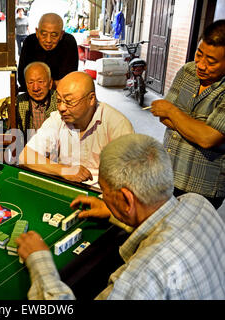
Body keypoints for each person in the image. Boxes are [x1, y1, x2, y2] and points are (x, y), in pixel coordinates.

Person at [17, 134, 225, 300]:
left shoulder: (141, 278)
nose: (103, 197)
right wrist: (114, 212)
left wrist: (40, 261)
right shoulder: (197, 202)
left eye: (104, 191)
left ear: (127, 200)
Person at [150, 20, 225, 209]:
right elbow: (163, 117)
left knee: (189, 236)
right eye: (199, 54)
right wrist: (197, 127)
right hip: (167, 174)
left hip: (202, 186)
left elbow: (208, 138)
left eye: (211, 61)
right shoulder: (187, 71)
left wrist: (173, 111)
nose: (201, 64)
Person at [19, 71, 134, 183]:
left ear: (91, 99)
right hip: (67, 184)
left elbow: (130, 176)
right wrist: (64, 170)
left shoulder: (117, 124)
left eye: (69, 101)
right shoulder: (58, 119)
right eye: (59, 100)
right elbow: (25, 156)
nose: (62, 108)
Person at [17, 13, 79, 92]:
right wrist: (51, 84)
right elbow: (22, 79)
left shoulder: (68, 42)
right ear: (37, 32)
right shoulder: (29, 42)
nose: (48, 40)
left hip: (59, 94)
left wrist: (40, 84)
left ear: (61, 34)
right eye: (44, 34)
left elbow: (69, 81)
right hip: (31, 93)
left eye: (54, 35)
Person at [16, 61, 57, 140]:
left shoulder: (60, 100)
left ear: (50, 83)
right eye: (30, 82)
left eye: (40, 82)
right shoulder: (18, 103)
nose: (36, 88)